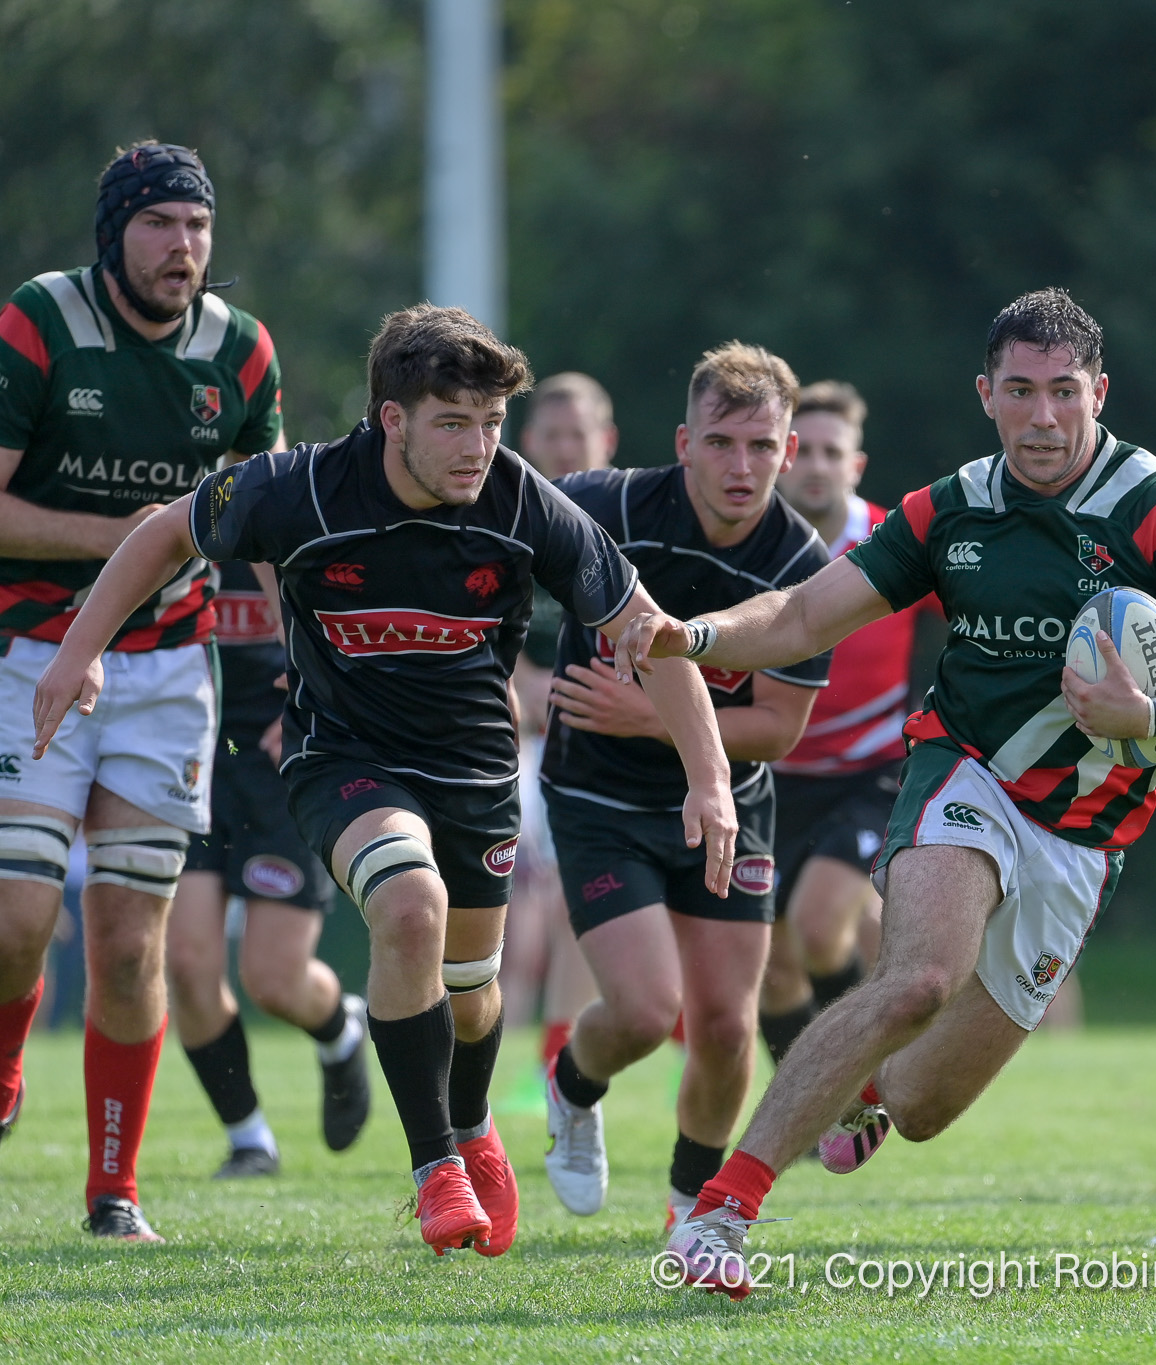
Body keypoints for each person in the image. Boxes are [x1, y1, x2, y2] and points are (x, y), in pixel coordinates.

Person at [30, 304, 738, 1257]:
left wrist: (709, 776)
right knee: (410, 907)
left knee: (473, 991)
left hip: (477, 771)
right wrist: (77, 650)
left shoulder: (522, 502)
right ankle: (436, 1166)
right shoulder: (301, 488)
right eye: (454, 423)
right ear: (391, 419)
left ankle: (473, 1123)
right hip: (346, 758)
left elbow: (648, 631)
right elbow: (165, 533)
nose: (478, 446)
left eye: (491, 422)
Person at [652, 288, 1156, 1297]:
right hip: (967, 771)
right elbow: (804, 615)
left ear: (1099, 392)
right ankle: (719, 1214)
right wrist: (689, 635)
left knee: (920, 1108)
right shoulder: (950, 509)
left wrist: (1152, 712)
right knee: (917, 979)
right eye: (1020, 391)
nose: (1042, 416)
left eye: (1064, 391)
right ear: (985, 394)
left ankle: (865, 1083)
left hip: (1084, 833)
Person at [0, 143, 284, 1241]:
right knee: (18, 919)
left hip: (168, 666)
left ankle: (113, 1190)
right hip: (30, 649)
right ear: (113, 233)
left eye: (197, 226)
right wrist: (127, 539)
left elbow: (265, 520)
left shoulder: (243, 351)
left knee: (127, 943)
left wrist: (308, 656)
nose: (183, 246)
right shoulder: (40, 321)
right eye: (159, 223)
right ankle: (7, 1061)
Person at [537, 343, 829, 1226]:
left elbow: (778, 726)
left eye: (762, 445)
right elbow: (489, 552)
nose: (742, 466)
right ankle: (572, 1085)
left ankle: (690, 1213)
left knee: (729, 1026)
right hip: (599, 796)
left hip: (731, 801)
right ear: (683, 443)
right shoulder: (606, 506)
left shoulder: (803, 561)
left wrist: (646, 714)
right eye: (720, 443)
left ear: (786, 450)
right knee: (644, 1009)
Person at [165, 556, 371, 1177]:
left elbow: (366, 637)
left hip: (276, 761)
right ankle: (249, 1138)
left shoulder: (295, 521)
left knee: (273, 980)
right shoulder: (167, 525)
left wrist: (320, 711)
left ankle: (340, 1031)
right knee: (186, 962)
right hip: (184, 754)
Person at [756, 380, 938, 1064]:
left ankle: (866, 1073)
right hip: (770, 777)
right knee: (772, 967)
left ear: (855, 465)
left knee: (820, 927)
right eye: (804, 450)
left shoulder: (895, 543)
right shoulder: (751, 545)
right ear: (783, 457)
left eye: (833, 452)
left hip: (871, 773)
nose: (817, 466)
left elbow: (979, 616)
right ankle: (809, 1107)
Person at [503, 373, 614, 1065]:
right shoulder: (503, 520)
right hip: (514, 744)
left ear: (608, 440)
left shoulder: (628, 526)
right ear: (528, 442)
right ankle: (479, 1077)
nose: (567, 448)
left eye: (579, 434)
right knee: (510, 923)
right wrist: (527, 685)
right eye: (553, 435)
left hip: (600, 741)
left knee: (582, 910)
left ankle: (557, 1070)